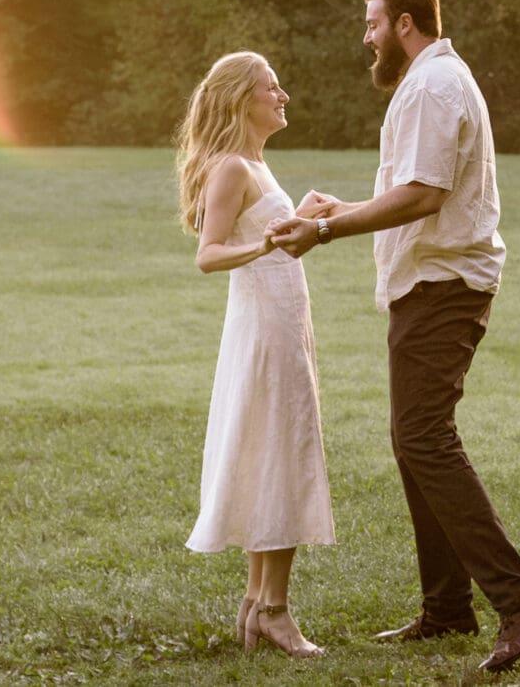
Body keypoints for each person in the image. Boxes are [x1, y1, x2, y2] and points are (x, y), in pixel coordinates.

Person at [269, 0, 520, 674]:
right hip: (431, 283)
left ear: (405, 22)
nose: (366, 37)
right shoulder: (433, 80)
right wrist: (341, 208)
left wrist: (327, 230)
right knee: (414, 440)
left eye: (373, 23)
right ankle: (447, 608)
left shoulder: (433, 85)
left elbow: (425, 195)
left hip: (443, 286)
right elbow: (414, 190)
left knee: (424, 438)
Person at [176, 51, 333, 660]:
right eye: (272, 87)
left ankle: (257, 602)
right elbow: (209, 253)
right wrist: (267, 242)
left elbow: (270, 238)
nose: (283, 95)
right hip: (264, 330)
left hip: (285, 326)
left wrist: (299, 219)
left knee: (274, 453)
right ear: (243, 99)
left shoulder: (257, 166)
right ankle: (275, 611)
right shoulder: (231, 168)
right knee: (281, 453)